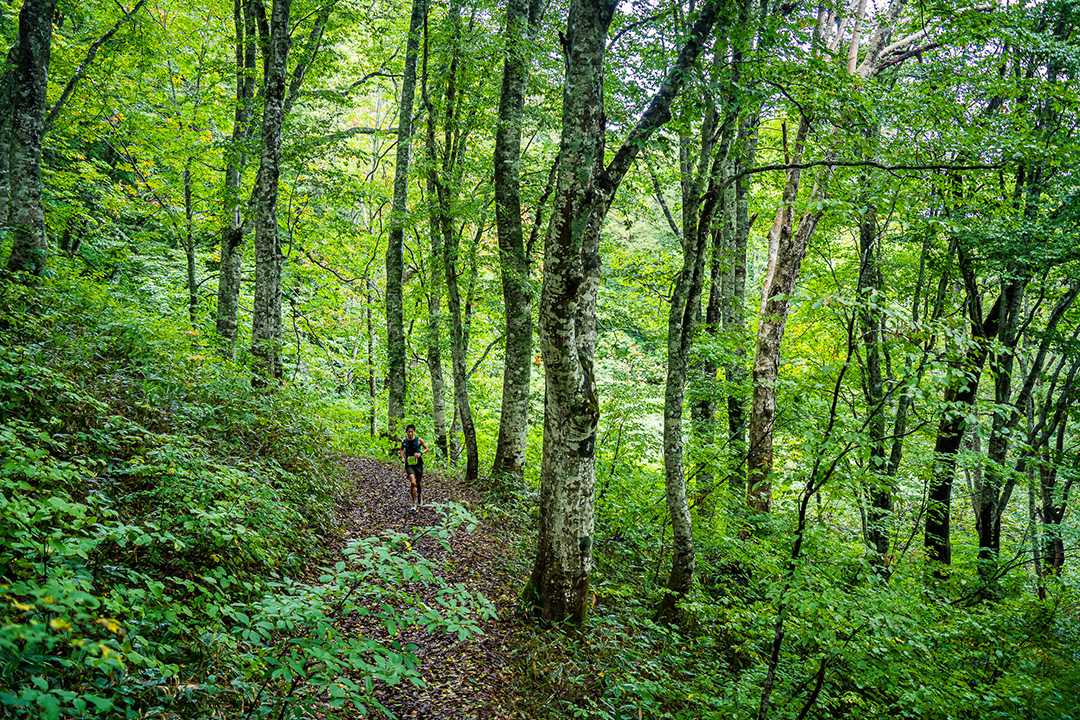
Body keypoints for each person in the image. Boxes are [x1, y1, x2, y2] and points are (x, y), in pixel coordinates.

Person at [400, 424, 429, 512]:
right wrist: (402, 457)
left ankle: (419, 495)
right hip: (409, 464)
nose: (410, 433)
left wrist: (420, 453)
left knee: (419, 482)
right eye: (408, 432)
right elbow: (401, 450)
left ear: (414, 432)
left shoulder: (419, 440)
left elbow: (427, 448)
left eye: (412, 431)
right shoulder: (404, 441)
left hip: (418, 463)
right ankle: (414, 503)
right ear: (406, 432)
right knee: (413, 482)